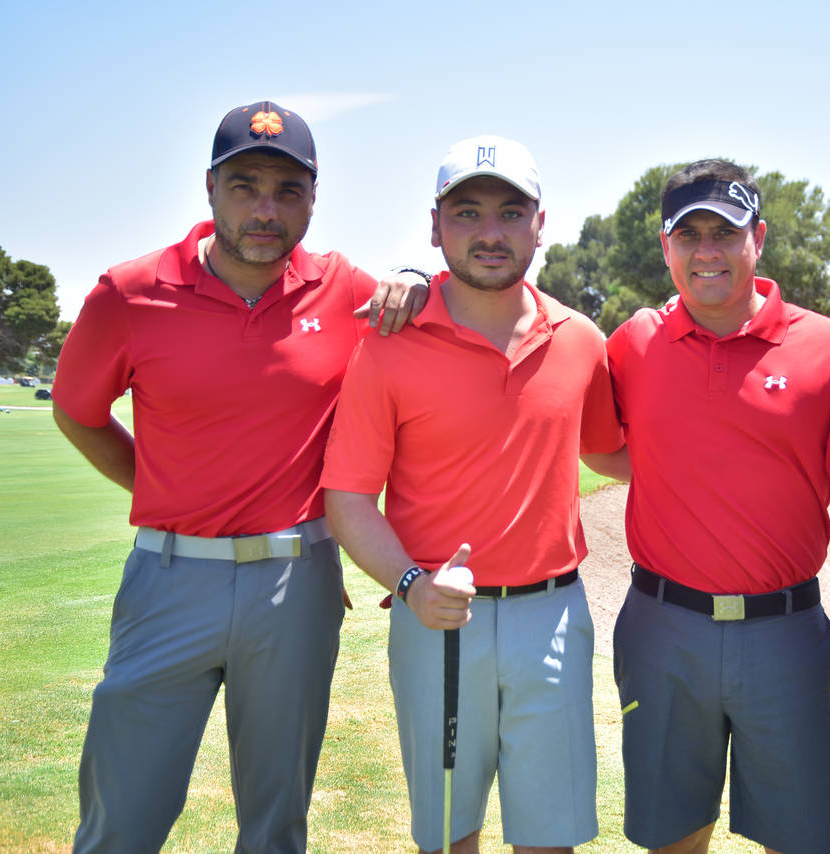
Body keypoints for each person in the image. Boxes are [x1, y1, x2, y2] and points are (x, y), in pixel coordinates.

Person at [52, 100, 426, 853]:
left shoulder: (343, 290)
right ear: (210, 188)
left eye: (288, 191)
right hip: (168, 579)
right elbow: (78, 413)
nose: (266, 210)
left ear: (313, 199)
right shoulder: (128, 292)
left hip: (297, 584)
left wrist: (416, 273)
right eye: (245, 185)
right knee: (121, 819)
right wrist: (162, 490)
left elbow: (431, 306)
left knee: (276, 824)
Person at [584, 159, 830, 854]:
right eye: (689, 234)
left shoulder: (827, 347)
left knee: (802, 842)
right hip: (662, 629)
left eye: (726, 232)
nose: (706, 251)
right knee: (673, 839)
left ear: (758, 238)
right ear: (666, 246)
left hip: (785, 634)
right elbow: (607, 449)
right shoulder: (634, 342)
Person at [320, 134, 623, 854]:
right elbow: (349, 497)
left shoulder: (581, 339)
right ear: (435, 227)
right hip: (435, 616)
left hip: (553, 616)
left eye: (511, 213)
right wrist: (411, 585)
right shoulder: (387, 343)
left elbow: (610, 451)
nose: (490, 232)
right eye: (467, 213)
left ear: (540, 225)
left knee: (549, 840)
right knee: (450, 836)